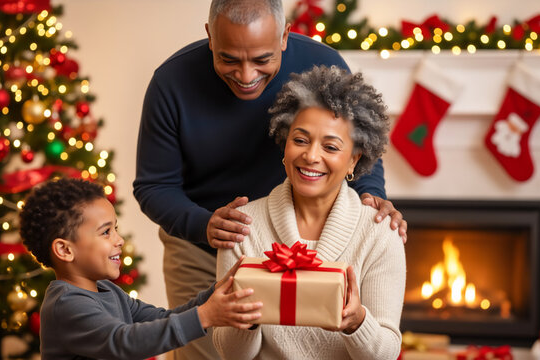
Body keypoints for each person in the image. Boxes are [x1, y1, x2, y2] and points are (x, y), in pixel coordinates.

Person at [133, 0, 407, 358]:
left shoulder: (322, 66)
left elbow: (353, 139)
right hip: (203, 239)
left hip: (295, 223)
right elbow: (153, 185)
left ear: (284, 36)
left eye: (261, 60)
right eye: (229, 59)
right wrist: (206, 226)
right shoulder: (171, 82)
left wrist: (372, 197)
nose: (246, 76)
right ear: (210, 37)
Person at [213, 65, 406, 360]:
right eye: (300, 140)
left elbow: (387, 354)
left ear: (354, 160)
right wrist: (245, 319)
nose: (311, 156)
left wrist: (358, 323)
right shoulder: (242, 227)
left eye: (330, 146)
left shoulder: (379, 233)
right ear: (285, 143)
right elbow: (230, 354)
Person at [19, 178, 262, 359]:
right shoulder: (66, 305)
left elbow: (163, 318)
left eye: (115, 228)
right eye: (106, 232)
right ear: (64, 250)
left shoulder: (106, 290)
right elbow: (123, 342)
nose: (119, 240)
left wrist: (218, 291)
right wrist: (205, 315)